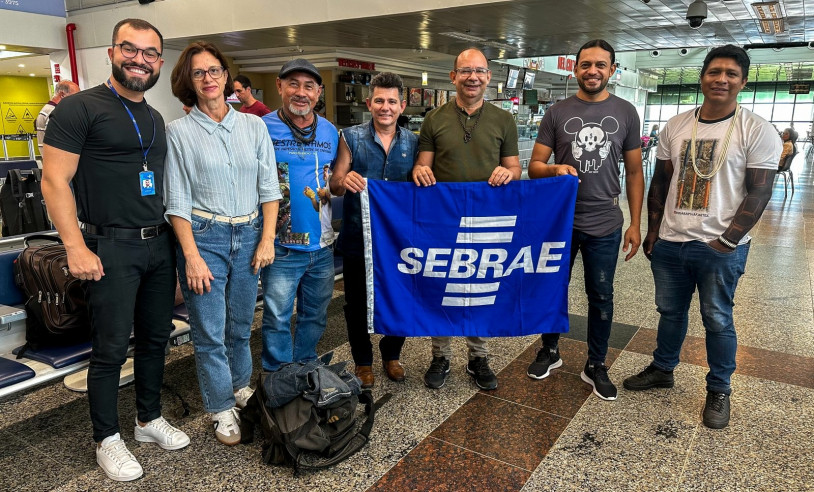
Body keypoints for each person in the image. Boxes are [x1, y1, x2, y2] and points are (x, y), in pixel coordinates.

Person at [40, 18, 189, 482]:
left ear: (159, 62)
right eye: (131, 49)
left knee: (155, 338)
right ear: (111, 51)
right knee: (108, 350)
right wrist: (75, 247)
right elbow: (53, 180)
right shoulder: (79, 108)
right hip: (108, 246)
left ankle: (147, 420)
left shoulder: (154, 116)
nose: (139, 60)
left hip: (156, 243)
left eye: (149, 53)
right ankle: (106, 438)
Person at [623, 45, 782, 429]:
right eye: (714, 72)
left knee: (717, 318)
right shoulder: (676, 125)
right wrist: (654, 231)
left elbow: (759, 191)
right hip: (671, 243)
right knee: (670, 312)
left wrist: (727, 241)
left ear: (742, 82)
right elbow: (660, 182)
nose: (721, 79)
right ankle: (663, 369)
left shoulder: (757, 129)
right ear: (702, 77)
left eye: (730, 73)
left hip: (720, 249)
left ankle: (719, 387)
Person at [164, 41, 280, 446]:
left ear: (227, 76)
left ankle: (239, 386)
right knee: (210, 331)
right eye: (199, 73)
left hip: (249, 235)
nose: (208, 79)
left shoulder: (253, 126)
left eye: (214, 70)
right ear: (189, 82)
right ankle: (219, 407)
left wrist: (267, 239)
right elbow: (176, 201)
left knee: (240, 324)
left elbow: (269, 189)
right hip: (204, 238)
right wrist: (191, 256)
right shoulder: (178, 132)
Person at [525, 39, 644, 401]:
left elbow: (636, 172)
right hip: (559, 220)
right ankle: (550, 350)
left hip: (606, 220)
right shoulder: (557, 113)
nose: (593, 71)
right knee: (551, 288)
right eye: (586, 64)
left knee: (601, 295)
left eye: (601, 65)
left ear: (612, 70)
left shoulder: (625, 112)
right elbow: (533, 167)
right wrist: (554, 168)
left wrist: (636, 223)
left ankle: (596, 363)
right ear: (575, 69)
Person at [412, 48, 520, 391]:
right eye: (465, 71)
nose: (473, 77)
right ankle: (440, 355)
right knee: (444, 285)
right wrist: (420, 170)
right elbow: (423, 164)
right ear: (453, 76)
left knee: (479, 286)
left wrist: (509, 172)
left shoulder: (504, 119)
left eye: (479, 71)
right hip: (443, 218)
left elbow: (515, 167)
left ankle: (478, 356)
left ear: (489, 77)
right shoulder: (434, 119)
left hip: (487, 218)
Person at [329, 72, 419, 388]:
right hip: (358, 239)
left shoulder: (414, 142)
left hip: (400, 242)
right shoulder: (350, 137)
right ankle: (363, 361)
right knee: (355, 303)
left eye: (392, 101)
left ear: (402, 105)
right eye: (379, 100)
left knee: (402, 298)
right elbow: (335, 184)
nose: (385, 107)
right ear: (369, 103)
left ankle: (391, 354)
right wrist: (344, 181)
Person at [260, 59, 338, 372]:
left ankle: (305, 366)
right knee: (277, 317)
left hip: (322, 244)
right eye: (293, 84)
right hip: (282, 246)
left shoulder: (331, 131)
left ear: (319, 92)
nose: (300, 92)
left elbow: (335, 177)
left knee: (315, 314)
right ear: (279, 86)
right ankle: (278, 375)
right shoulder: (261, 128)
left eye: (309, 86)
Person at [35, 80, 79, 155]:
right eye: (75, 96)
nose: (78, 100)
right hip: (58, 162)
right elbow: (57, 143)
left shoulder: (46, 109)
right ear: (62, 94)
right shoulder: (55, 112)